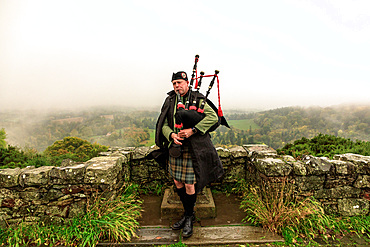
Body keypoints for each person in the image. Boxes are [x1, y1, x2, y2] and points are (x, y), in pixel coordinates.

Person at [154, 71, 224, 238]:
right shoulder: (170, 100)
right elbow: (163, 123)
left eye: (179, 82)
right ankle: (187, 214)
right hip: (175, 147)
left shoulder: (198, 99)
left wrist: (193, 130)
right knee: (177, 181)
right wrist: (171, 134)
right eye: (174, 84)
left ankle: (189, 216)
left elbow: (213, 117)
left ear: (187, 83)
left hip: (193, 148)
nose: (177, 86)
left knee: (189, 184)